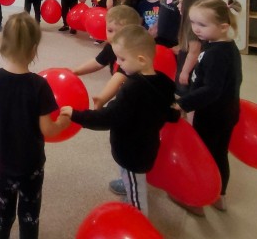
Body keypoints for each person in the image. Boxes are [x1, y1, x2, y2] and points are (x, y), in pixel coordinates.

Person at [0, 13, 72, 239]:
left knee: (2, 212)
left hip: (3, 163)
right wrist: (64, 121)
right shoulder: (39, 86)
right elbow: (48, 129)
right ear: (34, 50)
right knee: (29, 214)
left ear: (3, 45)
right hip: (32, 166)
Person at [61, 25, 179, 215]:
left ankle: (139, 219)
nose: (117, 63)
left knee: (137, 193)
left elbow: (108, 118)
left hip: (132, 151)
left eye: (122, 59)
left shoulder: (132, 89)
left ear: (141, 59)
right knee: (131, 176)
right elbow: (168, 110)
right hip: (146, 144)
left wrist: (76, 115)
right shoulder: (164, 81)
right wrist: (175, 115)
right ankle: (127, 183)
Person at [175, 0, 243, 215]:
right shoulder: (224, 46)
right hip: (226, 110)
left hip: (213, 114)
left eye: (202, 25)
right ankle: (219, 197)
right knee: (219, 153)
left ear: (223, 27)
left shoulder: (217, 54)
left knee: (202, 155)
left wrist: (182, 104)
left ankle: (196, 202)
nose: (196, 29)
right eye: (193, 23)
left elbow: (211, 90)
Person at [174, 0, 209, 96]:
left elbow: (194, 52)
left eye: (181, 3)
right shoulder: (190, 22)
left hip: (191, 66)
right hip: (188, 61)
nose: (178, 5)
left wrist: (185, 72)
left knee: (186, 92)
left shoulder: (192, 25)